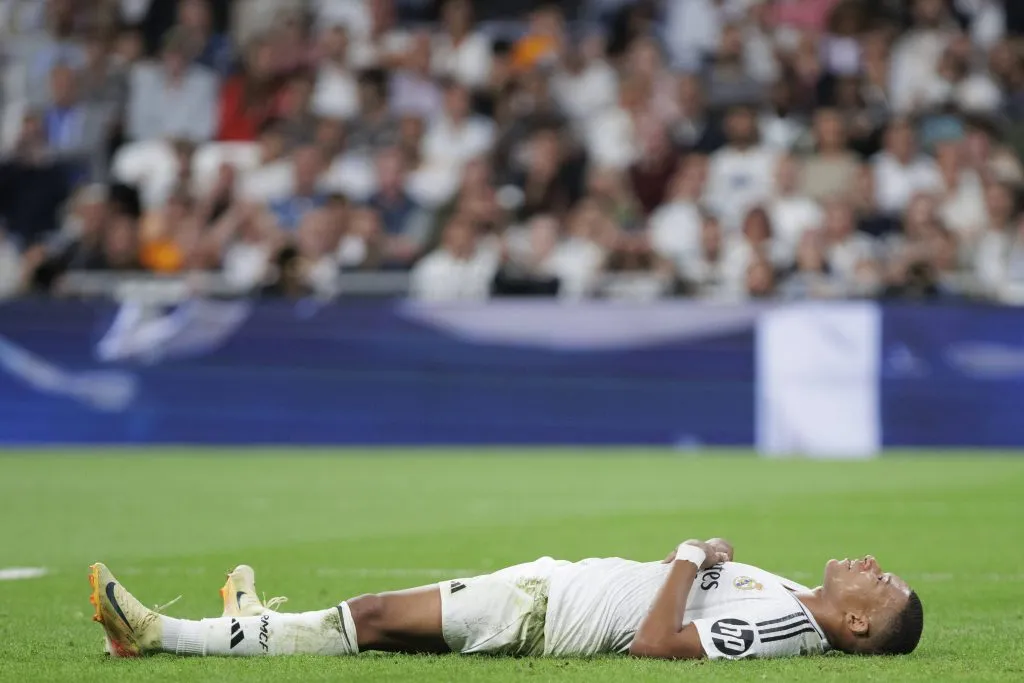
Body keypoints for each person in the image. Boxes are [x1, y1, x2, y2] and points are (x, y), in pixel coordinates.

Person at [90, 537, 923, 661]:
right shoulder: (796, 601)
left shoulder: (788, 626)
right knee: (376, 621)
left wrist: (688, 555)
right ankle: (251, 623)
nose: (873, 565)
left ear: (856, 623)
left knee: (371, 617)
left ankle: (162, 634)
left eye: (880, 585)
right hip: (551, 590)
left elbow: (658, 643)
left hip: (546, 613)